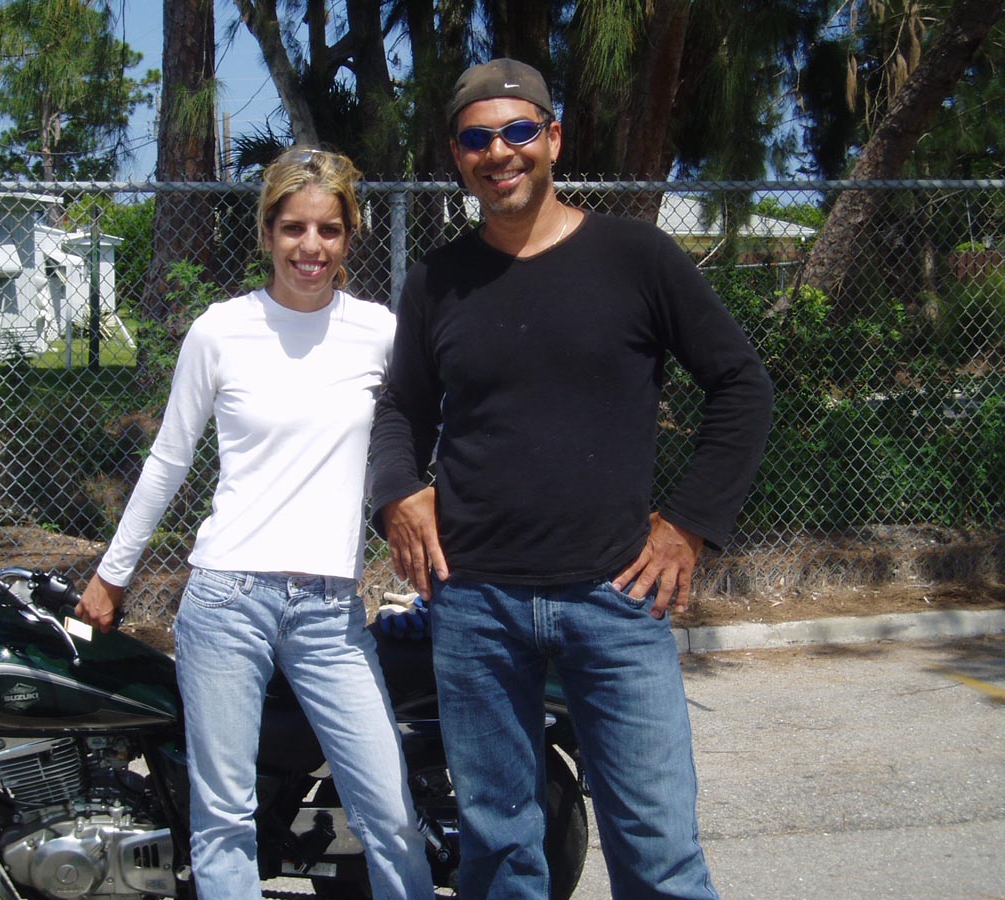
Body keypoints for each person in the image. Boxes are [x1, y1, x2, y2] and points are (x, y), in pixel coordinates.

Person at [369, 59, 774, 900]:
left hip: (615, 599)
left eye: (519, 131)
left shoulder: (636, 258)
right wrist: (399, 492)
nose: (499, 153)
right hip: (474, 603)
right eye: (477, 140)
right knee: (499, 852)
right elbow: (400, 407)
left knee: (659, 852)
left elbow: (742, 385)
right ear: (458, 155)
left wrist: (689, 524)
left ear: (553, 138)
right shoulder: (437, 280)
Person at [75, 146, 433, 900]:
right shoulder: (221, 330)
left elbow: (419, 437)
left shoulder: (379, 331)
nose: (311, 247)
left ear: (350, 235)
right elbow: (169, 459)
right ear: (268, 232)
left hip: (330, 609)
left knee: (390, 811)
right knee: (224, 817)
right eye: (294, 228)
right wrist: (113, 571)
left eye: (329, 229)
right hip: (226, 599)